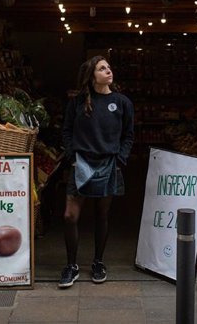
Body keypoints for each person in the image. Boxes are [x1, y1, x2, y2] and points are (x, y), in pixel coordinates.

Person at [58, 55, 134, 288]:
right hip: (80, 163)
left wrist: (120, 159)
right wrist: (72, 157)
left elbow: (128, 135)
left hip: (108, 163)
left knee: (102, 215)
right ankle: (71, 266)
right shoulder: (78, 102)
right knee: (70, 216)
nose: (108, 71)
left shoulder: (122, 102)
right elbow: (66, 130)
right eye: (102, 69)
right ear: (92, 76)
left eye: (109, 67)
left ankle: (98, 262)